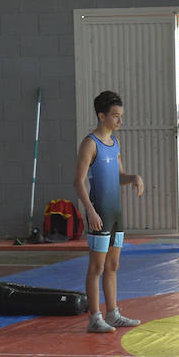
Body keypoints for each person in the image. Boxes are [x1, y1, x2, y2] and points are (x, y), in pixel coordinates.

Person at [73, 90, 145, 334]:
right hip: (99, 213)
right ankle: (95, 317)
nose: (119, 121)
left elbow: (118, 175)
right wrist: (90, 211)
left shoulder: (114, 143)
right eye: (115, 116)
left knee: (113, 265)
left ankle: (113, 313)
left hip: (116, 214)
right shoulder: (90, 143)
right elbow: (78, 181)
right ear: (101, 116)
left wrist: (133, 177)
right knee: (97, 267)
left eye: (121, 116)